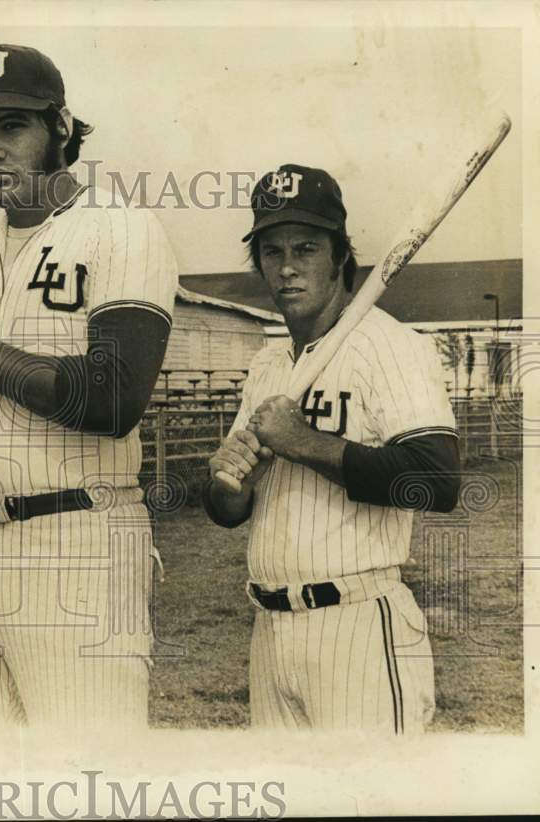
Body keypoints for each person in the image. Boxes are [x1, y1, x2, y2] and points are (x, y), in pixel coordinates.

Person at [0, 44, 179, 728]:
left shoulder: (122, 228)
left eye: (12, 127)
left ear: (60, 127)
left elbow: (112, 398)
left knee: (88, 779)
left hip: (74, 540)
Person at [203, 164, 461, 733]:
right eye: (272, 252)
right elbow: (226, 512)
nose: (288, 268)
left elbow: (437, 480)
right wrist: (228, 485)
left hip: (358, 622)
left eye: (306, 248)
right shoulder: (269, 363)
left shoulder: (390, 346)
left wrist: (304, 443)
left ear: (340, 255)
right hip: (269, 630)